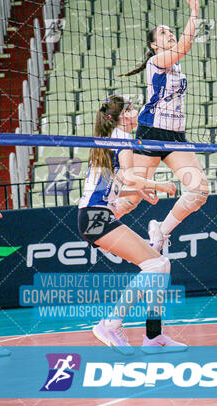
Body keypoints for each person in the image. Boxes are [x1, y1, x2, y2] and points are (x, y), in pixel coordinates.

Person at [78, 94, 186, 352]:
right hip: (96, 218)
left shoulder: (109, 139)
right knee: (155, 264)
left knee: (162, 265)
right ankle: (110, 323)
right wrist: (158, 184)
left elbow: (113, 187)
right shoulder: (122, 137)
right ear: (122, 116)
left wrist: (138, 192)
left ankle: (154, 335)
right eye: (131, 108)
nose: (136, 112)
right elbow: (128, 176)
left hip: (96, 215)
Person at [118, 0, 209, 252]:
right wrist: (194, 14)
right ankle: (99, 217)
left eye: (170, 30)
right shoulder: (157, 62)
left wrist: (193, 15)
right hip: (151, 133)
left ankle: (161, 230)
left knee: (199, 192)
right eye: (163, 32)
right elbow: (184, 47)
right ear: (154, 46)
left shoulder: (176, 65)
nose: (168, 33)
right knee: (132, 198)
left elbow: (182, 49)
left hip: (176, 137)